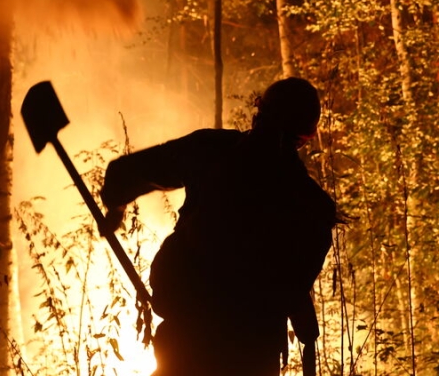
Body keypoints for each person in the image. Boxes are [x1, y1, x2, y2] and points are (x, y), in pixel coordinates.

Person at [99, 77, 337, 376]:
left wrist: (115, 207)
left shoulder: (209, 150)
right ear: (306, 135)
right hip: (251, 355)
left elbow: (128, 172)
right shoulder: (312, 207)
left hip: (185, 343)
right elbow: (290, 285)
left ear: (259, 111)